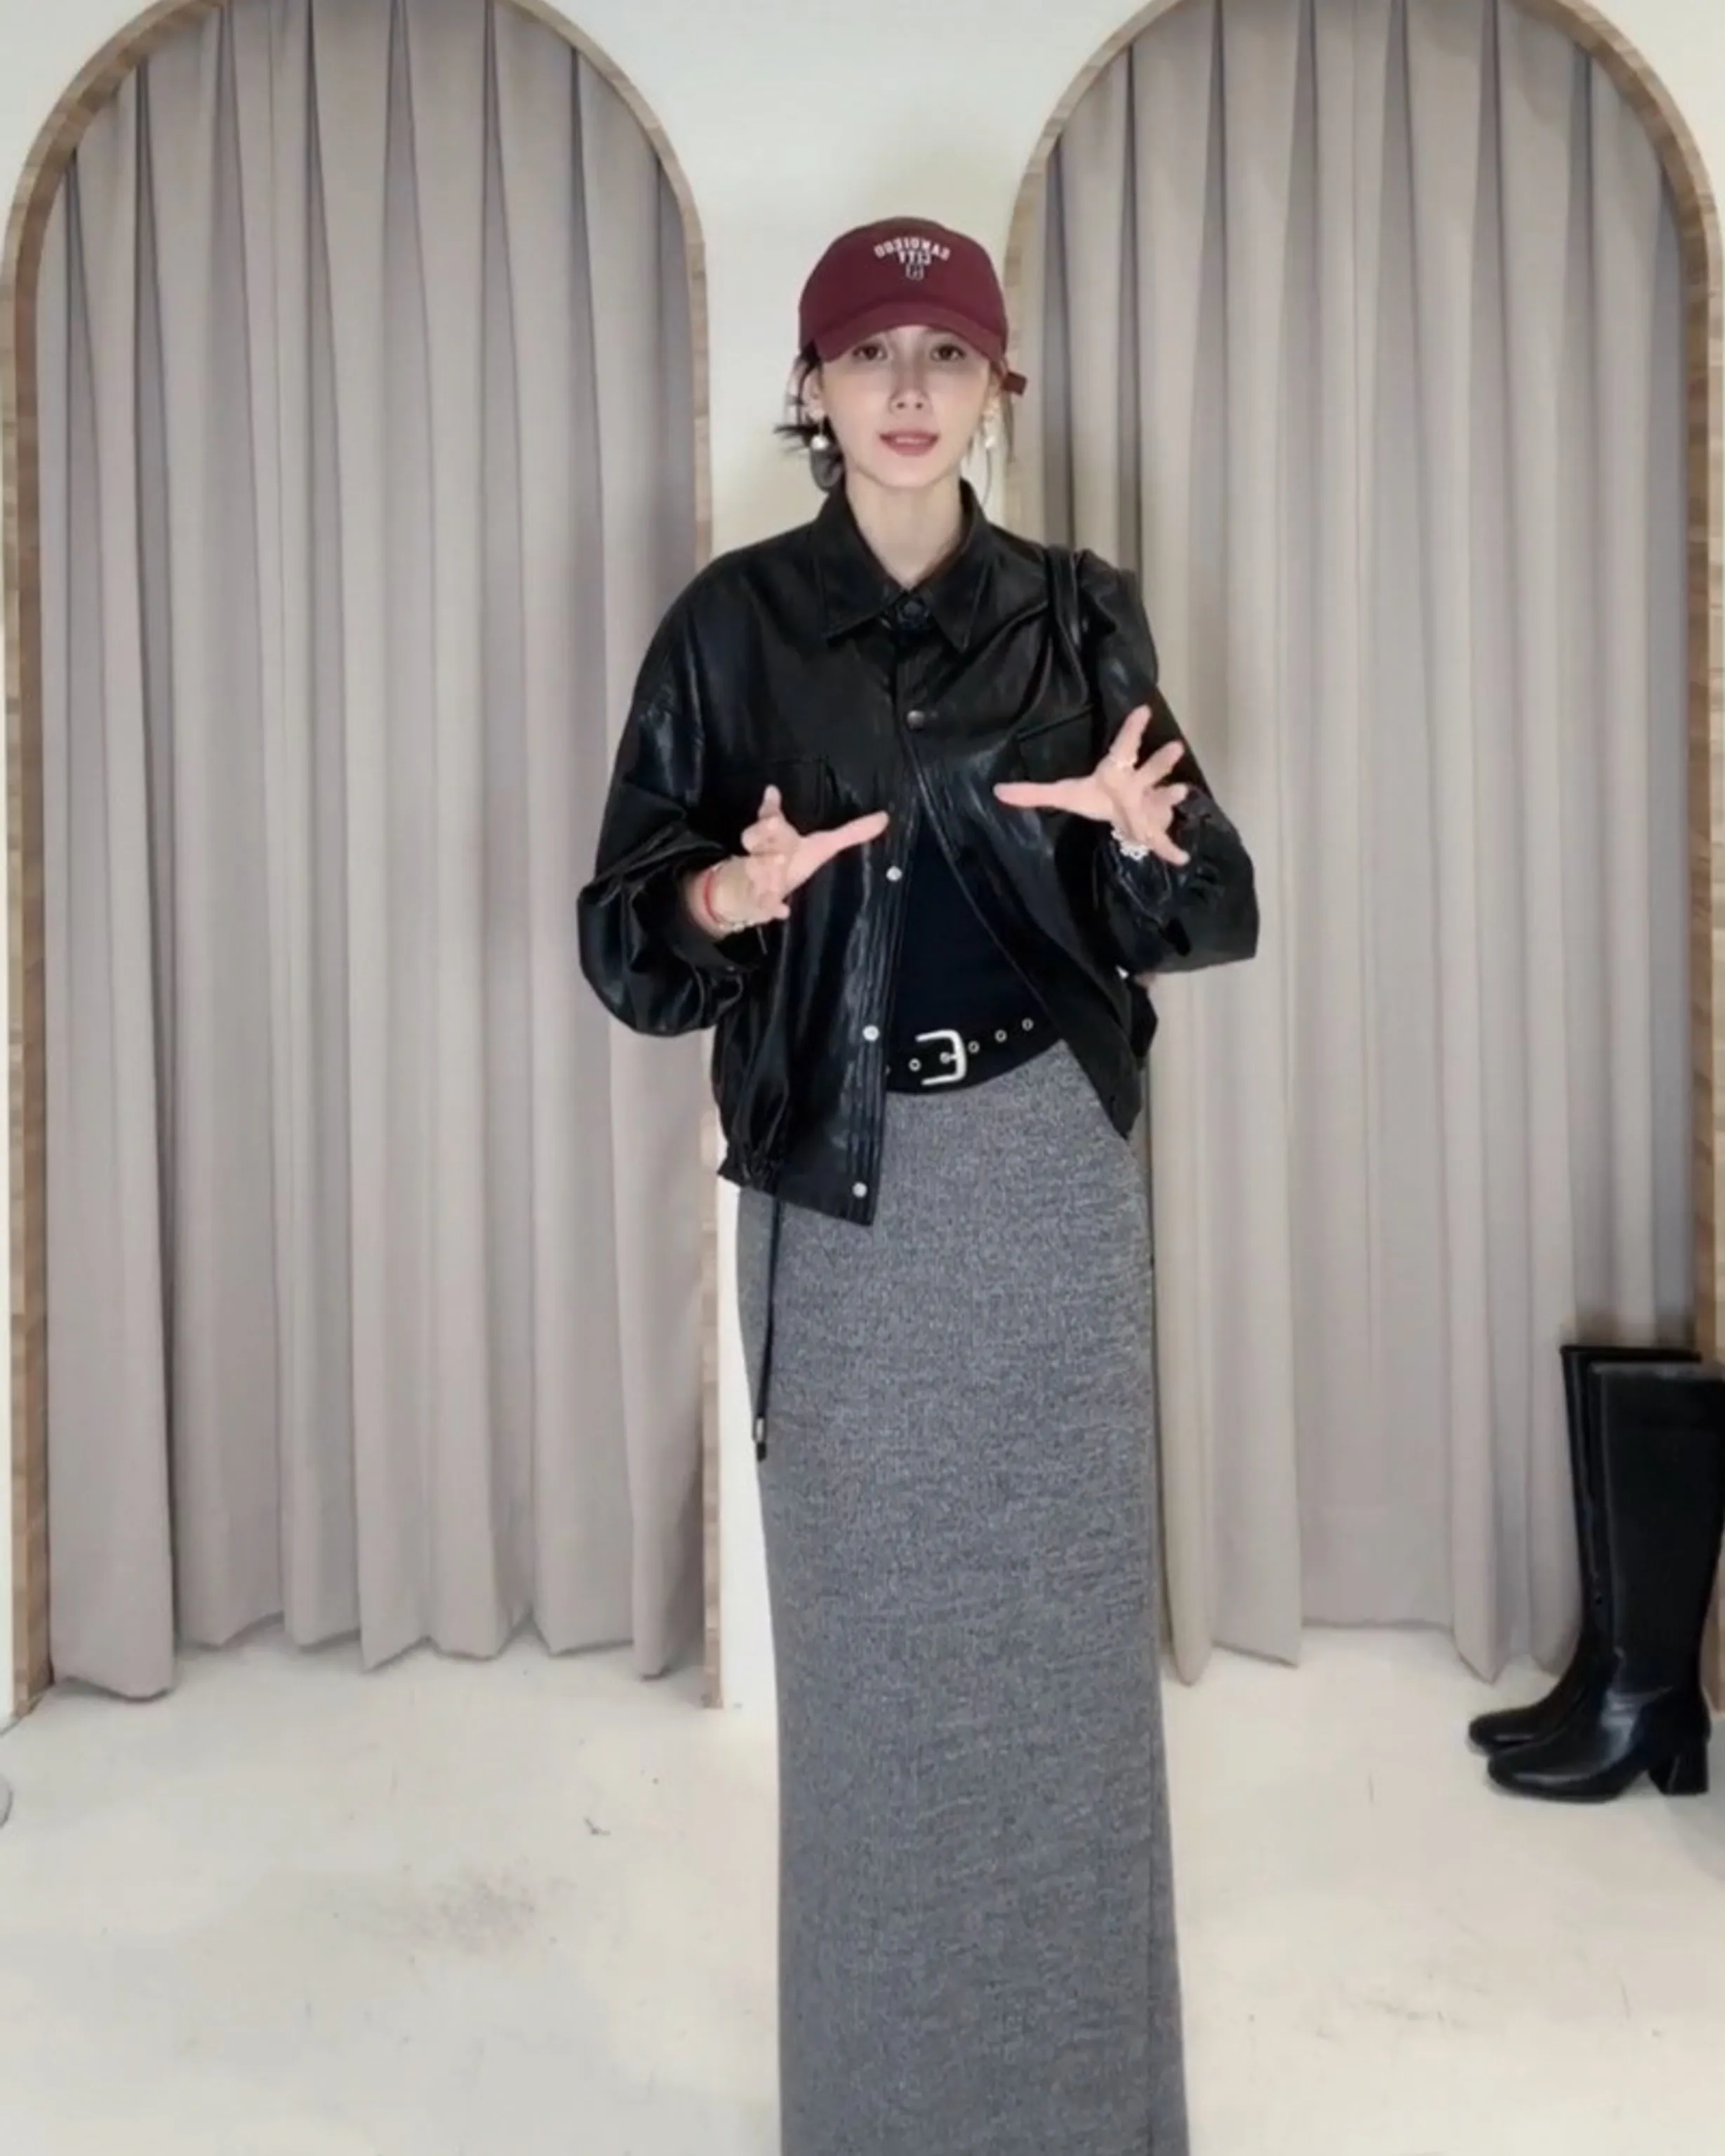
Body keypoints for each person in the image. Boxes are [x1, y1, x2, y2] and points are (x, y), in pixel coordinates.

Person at [577, 215, 1258, 2156]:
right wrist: (726, 894)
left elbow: (1214, 909)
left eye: (943, 352)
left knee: (1065, 1692)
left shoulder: (1076, 617)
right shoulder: (728, 630)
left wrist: (1140, 848)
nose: (904, 388)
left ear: (994, 388)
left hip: (1046, 1184)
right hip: (846, 1206)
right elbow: (624, 941)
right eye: (867, 351)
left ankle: (1091, 2113)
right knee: (875, 1701)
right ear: (811, 388)